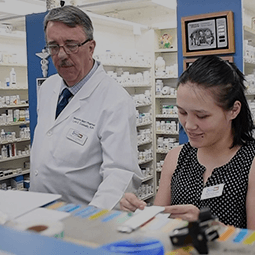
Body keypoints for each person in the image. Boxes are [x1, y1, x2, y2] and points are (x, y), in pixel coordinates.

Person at [120, 55, 255, 230]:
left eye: (202, 116)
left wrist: (212, 227)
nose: (189, 125)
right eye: (182, 112)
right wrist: (137, 213)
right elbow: (157, 224)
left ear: (233, 110)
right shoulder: (176, 157)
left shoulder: (250, 162)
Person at [29, 5, 143, 210]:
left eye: (71, 45)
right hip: (39, 212)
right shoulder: (48, 88)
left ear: (91, 47)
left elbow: (121, 173)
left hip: (83, 218)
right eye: (53, 46)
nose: (61, 54)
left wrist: (92, 216)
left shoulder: (115, 100)